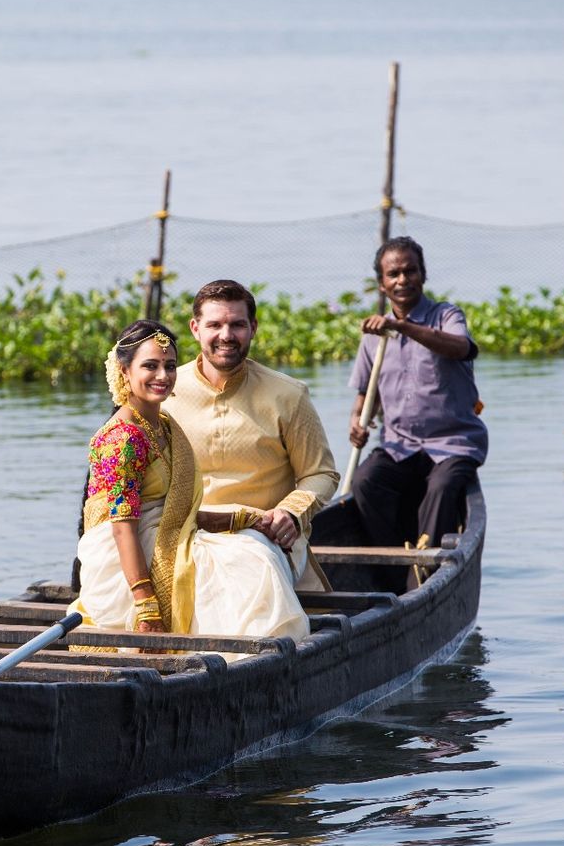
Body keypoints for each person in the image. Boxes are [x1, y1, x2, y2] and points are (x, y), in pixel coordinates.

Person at [74, 319, 309, 645]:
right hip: (125, 555)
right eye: (150, 366)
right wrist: (146, 605)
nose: (163, 376)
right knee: (249, 563)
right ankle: (246, 655)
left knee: (255, 547)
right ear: (125, 371)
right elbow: (121, 527)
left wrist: (245, 519)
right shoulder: (122, 437)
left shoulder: (164, 425)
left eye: (170, 366)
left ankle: (260, 655)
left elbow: (177, 511)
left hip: (166, 535)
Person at [164, 279, 339, 592]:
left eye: (237, 325)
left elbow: (321, 474)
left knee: (246, 564)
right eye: (214, 324)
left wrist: (290, 513)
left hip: (266, 538)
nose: (226, 336)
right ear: (195, 328)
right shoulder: (166, 392)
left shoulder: (288, 395)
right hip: (187, 536)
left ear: (253, 327)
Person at [348, 236, 488, 553]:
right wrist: (358, 422)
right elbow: (365, 396)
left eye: (410, 271)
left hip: (453, 444)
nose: (402, 280)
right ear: (381, 284)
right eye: (393, 274)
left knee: (441, 488)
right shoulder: (374, 336)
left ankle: (422, 572)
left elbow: (461, 348)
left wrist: (402, 327)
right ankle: (394, 563)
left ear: (422, 275)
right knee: (365, 482)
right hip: (400, 445)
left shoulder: (447, 316)